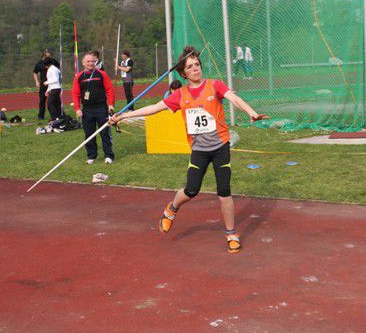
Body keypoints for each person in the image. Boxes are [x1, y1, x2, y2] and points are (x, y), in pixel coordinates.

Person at [110, 46, 268, 253]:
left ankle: (231, 233)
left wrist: (251, 112)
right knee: (191, 190)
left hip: (220, 146)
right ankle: (171, 209)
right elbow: (154, 109)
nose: (196, 69)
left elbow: (234, 98)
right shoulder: (180, 95)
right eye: (190, 67)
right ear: (183, 73)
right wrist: (123, 116)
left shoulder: (214, 85)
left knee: (224, 192)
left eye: (197, 65)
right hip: (199, 149)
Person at [72, 52, 116, 164]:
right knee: (89, 134)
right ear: (83, 63)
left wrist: (110, 104)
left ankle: (108, 156)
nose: (91, 63)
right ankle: (92, 156)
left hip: (101, 108)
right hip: (87, 110)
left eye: (93, 61)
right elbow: (75, 94)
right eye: (88, 61)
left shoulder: (101, 74)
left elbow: (109, 89)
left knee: (105, 133)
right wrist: (77, 109)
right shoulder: (79, 77)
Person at [33, 49, 60, 120]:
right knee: (42, 100)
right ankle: (41, 116)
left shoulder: (53, 62)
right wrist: (37, 81)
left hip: (53, 84)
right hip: (44, 84)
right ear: (44, 54)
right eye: (48, 53)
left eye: (50, 53)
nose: (49, 54)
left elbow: (58, 66)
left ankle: (58, 114)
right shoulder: (39, 64)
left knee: (55, 100)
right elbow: (35, 72)